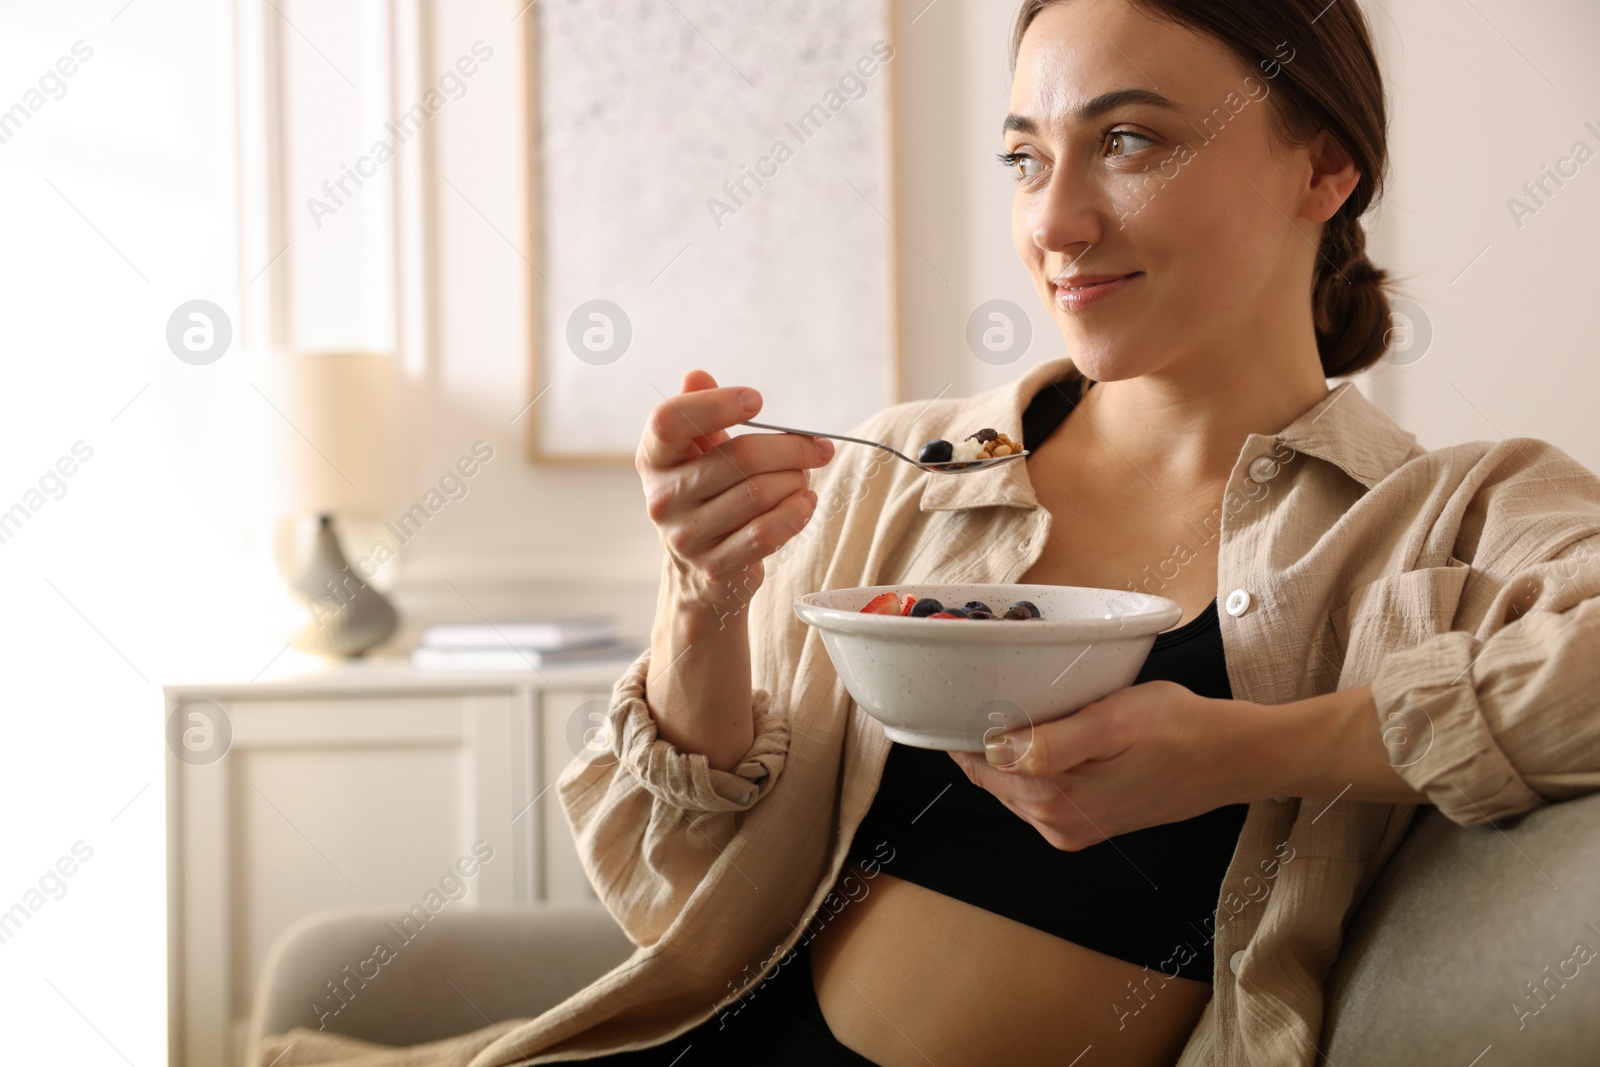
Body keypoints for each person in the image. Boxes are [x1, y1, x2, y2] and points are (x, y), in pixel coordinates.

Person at [253, 0, 1600, 1065]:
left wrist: (1256, 750)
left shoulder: (1445, 519)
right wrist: (701, 598)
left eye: (1129, 142)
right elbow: (686, 895)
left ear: (1327, 164)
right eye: (1027, 155)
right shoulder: (909, 475)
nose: (1054, 223)